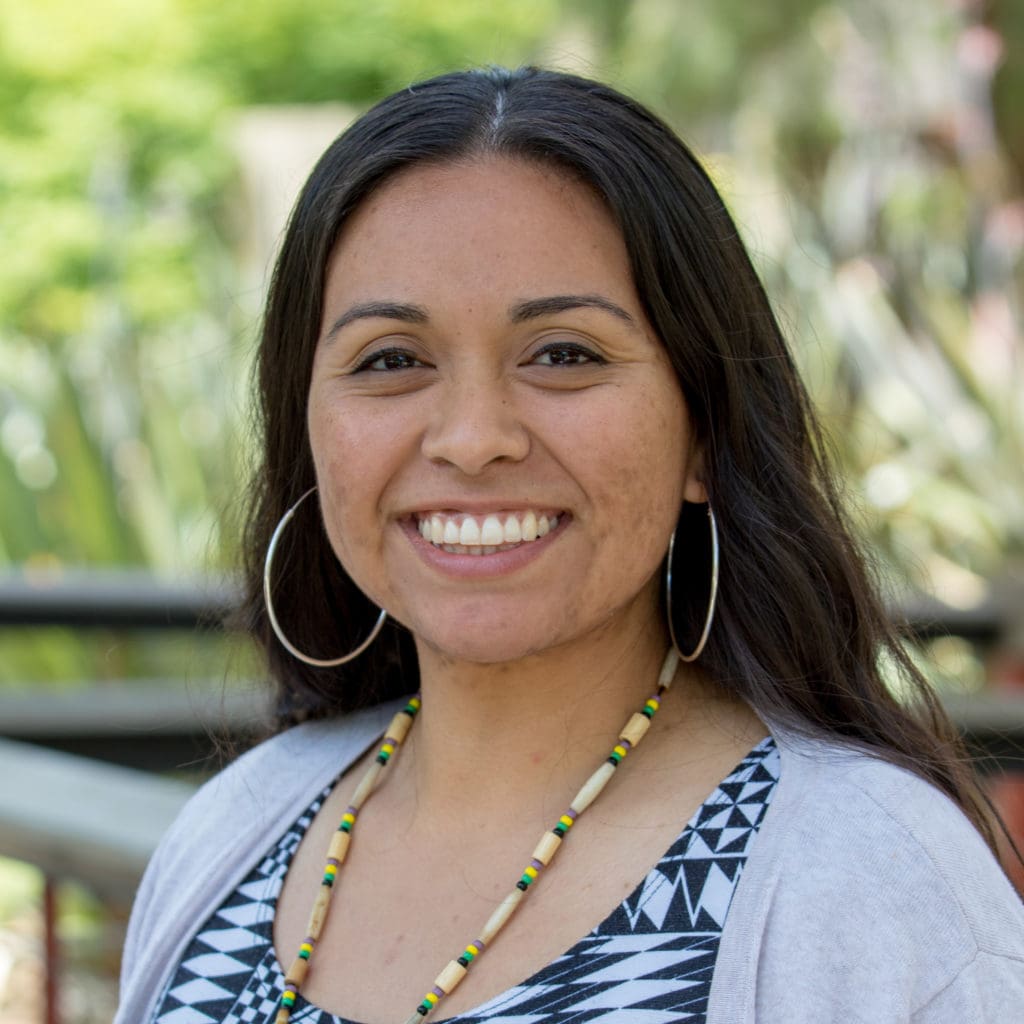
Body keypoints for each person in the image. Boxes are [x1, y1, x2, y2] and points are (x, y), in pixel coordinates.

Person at [115, 67, 1024, 1024]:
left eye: (563, 354)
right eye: (390, 360)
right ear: (305, 426)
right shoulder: (238, 833)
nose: (471, 437)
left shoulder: (867, 887)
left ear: (706, 432)